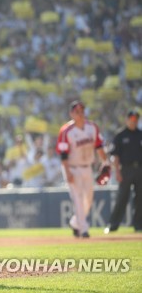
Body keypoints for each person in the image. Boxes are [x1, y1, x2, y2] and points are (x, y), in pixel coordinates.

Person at [56, 100, 109, 238]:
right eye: (77, 111)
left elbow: (99, 146)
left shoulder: (92, 127)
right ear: (71, 114)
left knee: (89, 199)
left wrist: (105, 161)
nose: (80, 114)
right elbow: (63, 155)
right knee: (78, 198)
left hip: (87, 167)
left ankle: (75, 222)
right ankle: (83, 229)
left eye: (82, 111)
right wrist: (67, 172)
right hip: (72, 167)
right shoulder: (66, 131)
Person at [105, 110, 142, 234]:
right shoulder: (120, 135)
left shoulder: (140, 134)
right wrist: (117, 172)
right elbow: (115, 156)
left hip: (140, 169)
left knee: (140, 199)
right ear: (127, 120)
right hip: (126, 169)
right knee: (122, 198)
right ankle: (113, 224)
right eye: (132, 119)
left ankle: (138, 225)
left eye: (136, 119)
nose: (134, 121)